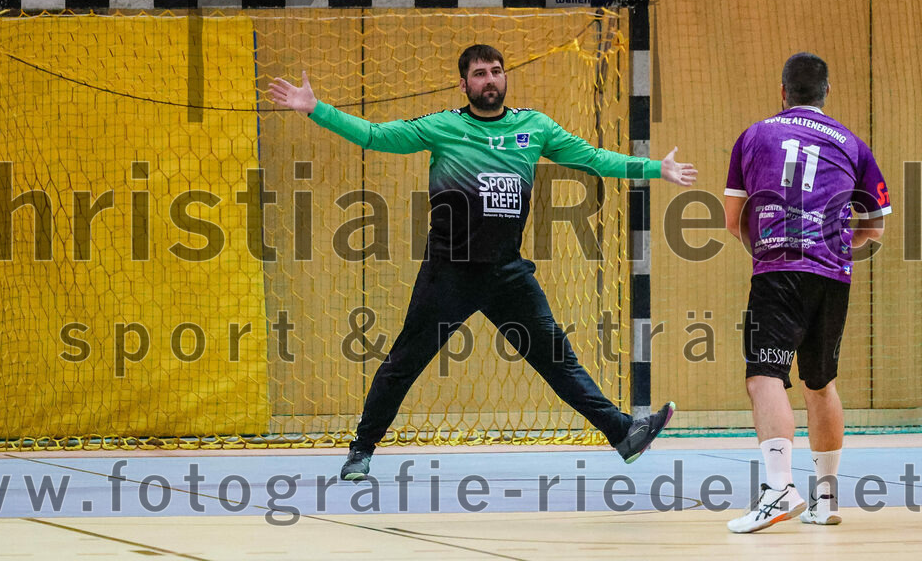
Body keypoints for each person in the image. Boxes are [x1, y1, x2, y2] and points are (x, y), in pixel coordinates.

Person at [268, 45, 697, 481]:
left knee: (557, 360)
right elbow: (377, 136)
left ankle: (623, 434)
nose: (489, 79)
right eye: (479, 73)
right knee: (403, 363)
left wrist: (652, 167)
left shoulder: (535, 126)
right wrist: (316, 109)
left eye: (495, 71)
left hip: (506, 273)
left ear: (505, 77)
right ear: (464, 84)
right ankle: (361, 450)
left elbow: (591, 158)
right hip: (449, 273)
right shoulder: (444, 127)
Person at [723, 52, 891, 533]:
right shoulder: (853, 144)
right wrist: (837, 243)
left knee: (764, 375)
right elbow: (874, 227)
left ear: (782, 92)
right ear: (826, 91)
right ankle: (826, 499)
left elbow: (734, 222)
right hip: (834, 275)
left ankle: (778, 490)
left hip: (779, 268)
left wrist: (770, 249)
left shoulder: (755, 135)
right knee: (821, 383)